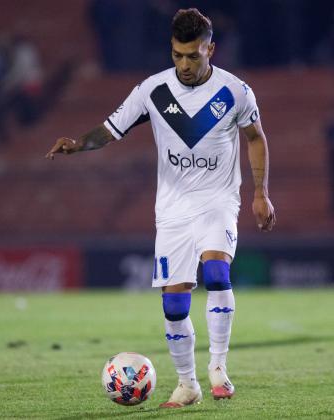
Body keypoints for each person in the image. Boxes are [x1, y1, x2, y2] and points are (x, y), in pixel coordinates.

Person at [45, 8, 275, 407]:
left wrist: (260, 192)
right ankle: (187, 385)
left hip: (218, 200)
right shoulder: (153, 90)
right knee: (174, 305)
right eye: (177, 55)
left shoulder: (235, 91)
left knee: (218, 272)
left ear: (211, 50)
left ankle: (218, 368)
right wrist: (78, 143)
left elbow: (256, 137)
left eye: (193, 56)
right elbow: (110, 129)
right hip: (172, 210)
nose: (184, 65)